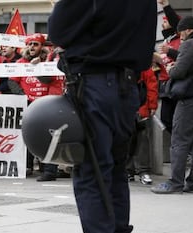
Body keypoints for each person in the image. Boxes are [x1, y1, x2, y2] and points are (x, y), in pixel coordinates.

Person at [48, 1, 157, 232]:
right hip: (126, 86)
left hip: (95, 83)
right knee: (115, 168)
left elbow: (58, 31)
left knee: (93, 170)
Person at [151, 16, 193, 194]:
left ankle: (175, 182)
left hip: (190, 98)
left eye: (181, 32)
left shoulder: (189, 44)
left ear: (187, 30)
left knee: (179, 139)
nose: (180, 36)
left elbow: (179, 71)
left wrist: (170, 69)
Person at [8, 33, 64, 181]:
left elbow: (49, 80)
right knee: (30, 135)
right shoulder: (22, 62)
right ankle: (32, 167)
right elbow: (12, 82)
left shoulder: (49, 59)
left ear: (42, 46)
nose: (32, 47)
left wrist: (38, 68)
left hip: (48, 102)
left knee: (51, 136)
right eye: (30, 44)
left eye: (36, 44)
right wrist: (23, 98)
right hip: (32, 103)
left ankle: (50, 169)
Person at [126, 68, 158, 185]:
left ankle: (130, 170)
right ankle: (142, 171)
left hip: (132, 109)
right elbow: (151, 84)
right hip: (141, 108)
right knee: (142, 141)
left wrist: (152, 105)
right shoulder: (144, 65)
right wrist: (152, 105)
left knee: (130, 140)